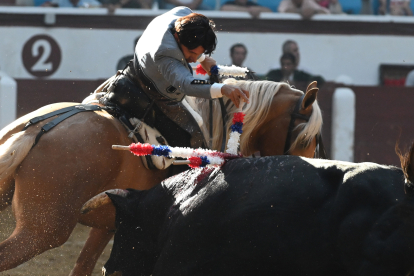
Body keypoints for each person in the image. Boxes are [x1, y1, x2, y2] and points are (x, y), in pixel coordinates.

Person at [97, 7, 249, 150]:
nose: (193, 59)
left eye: (197, 54)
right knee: (195, 135)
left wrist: (203, 58)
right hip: (153, 93)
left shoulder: (182, 13)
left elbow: (190, 44)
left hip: (141, 70)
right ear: (177, 37)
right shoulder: (165, 52)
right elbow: (186, 84)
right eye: (191, 53)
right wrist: (223, 88)